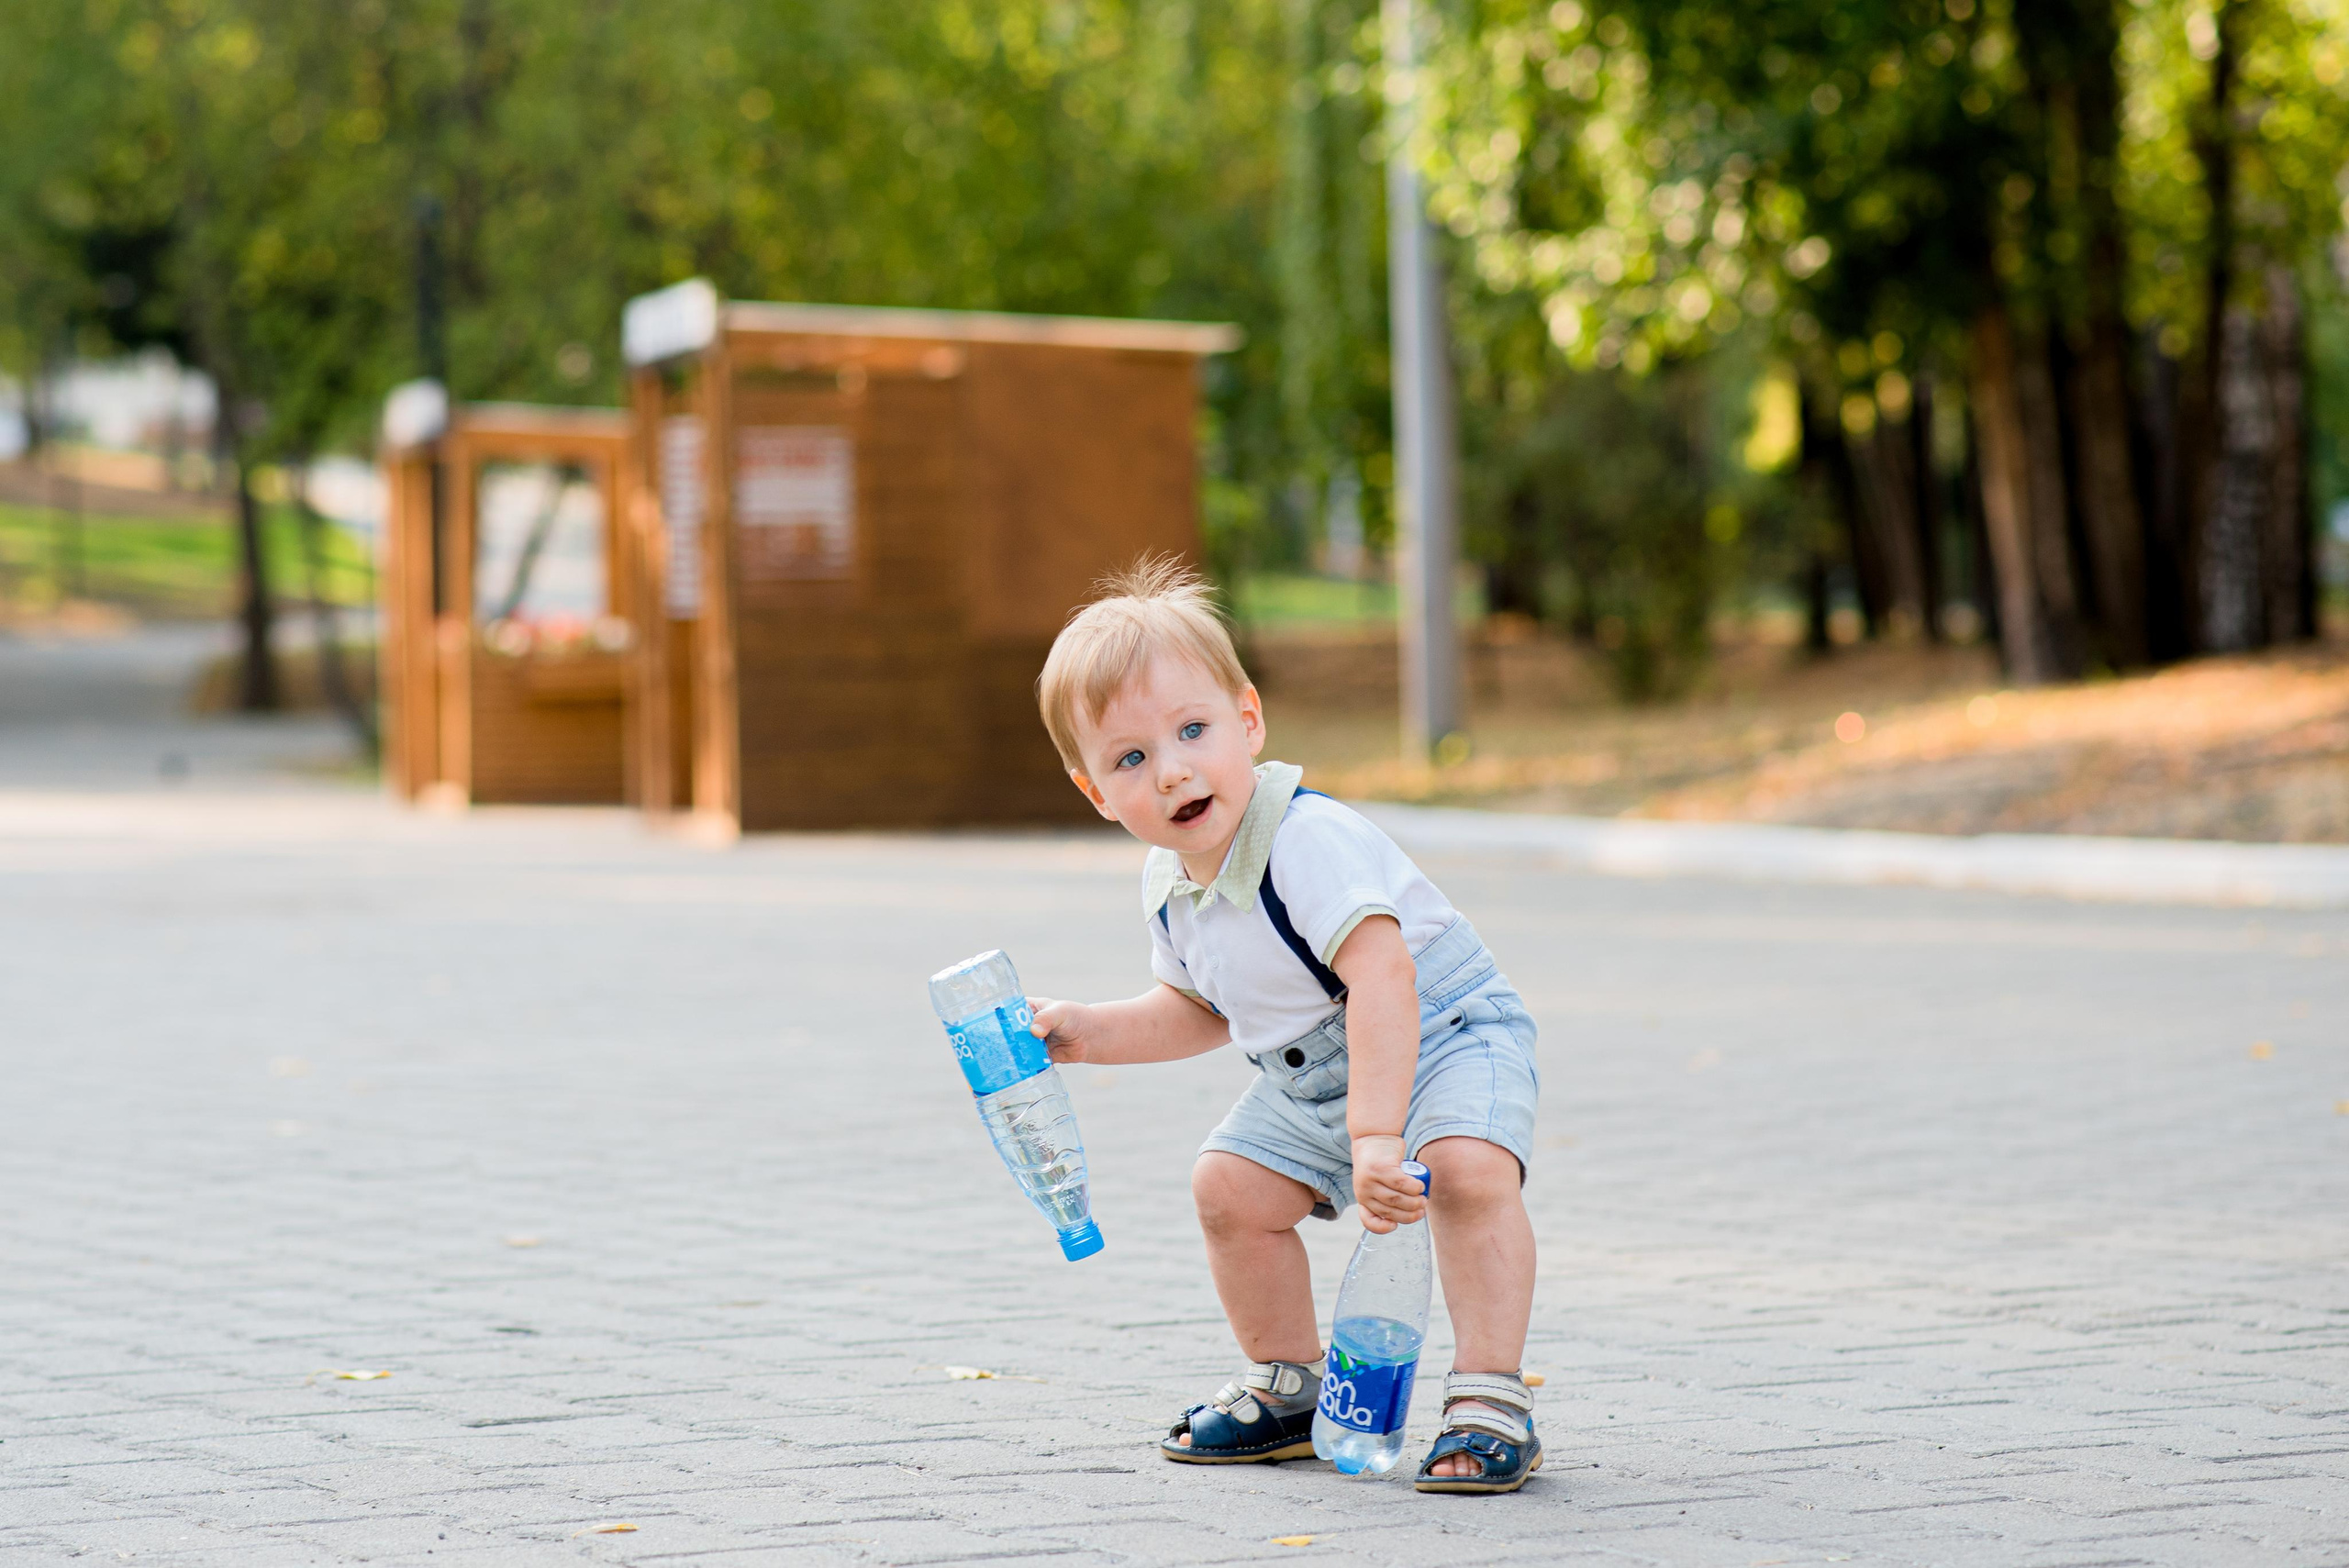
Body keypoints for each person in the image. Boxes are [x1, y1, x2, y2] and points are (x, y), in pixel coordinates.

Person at [1025, 558, 1543, 1495]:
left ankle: (1486, 1396)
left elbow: (1383, 975)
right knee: (1227, 1187)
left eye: (1192, 730)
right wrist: (1085, 1030)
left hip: (1444, 1030)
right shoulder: (1171, 887)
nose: (1173, 767)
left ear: (1248, 720)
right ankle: (1292, 1388)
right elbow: (1201, 1010)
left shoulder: (1304, 838)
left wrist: (1379, 1135)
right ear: (1097, 793)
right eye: (1131, 758)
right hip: (1316, 1076)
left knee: (1465, 1172)